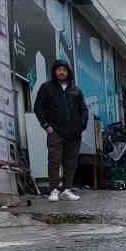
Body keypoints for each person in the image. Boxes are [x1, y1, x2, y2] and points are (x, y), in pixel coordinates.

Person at [33, 60, 88, 202]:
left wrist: (81, 126)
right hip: (55, 131)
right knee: (54, 161)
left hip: (74, 133)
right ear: (54, 72)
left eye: (64, 69)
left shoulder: (76, 90)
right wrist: (46, 126)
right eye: (59, 69)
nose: (61, 72)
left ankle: (66, 189)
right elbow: (38, 108)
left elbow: (84, 110)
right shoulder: (46, 88)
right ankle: (54, 190)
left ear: (68, 72)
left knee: (71, 162)